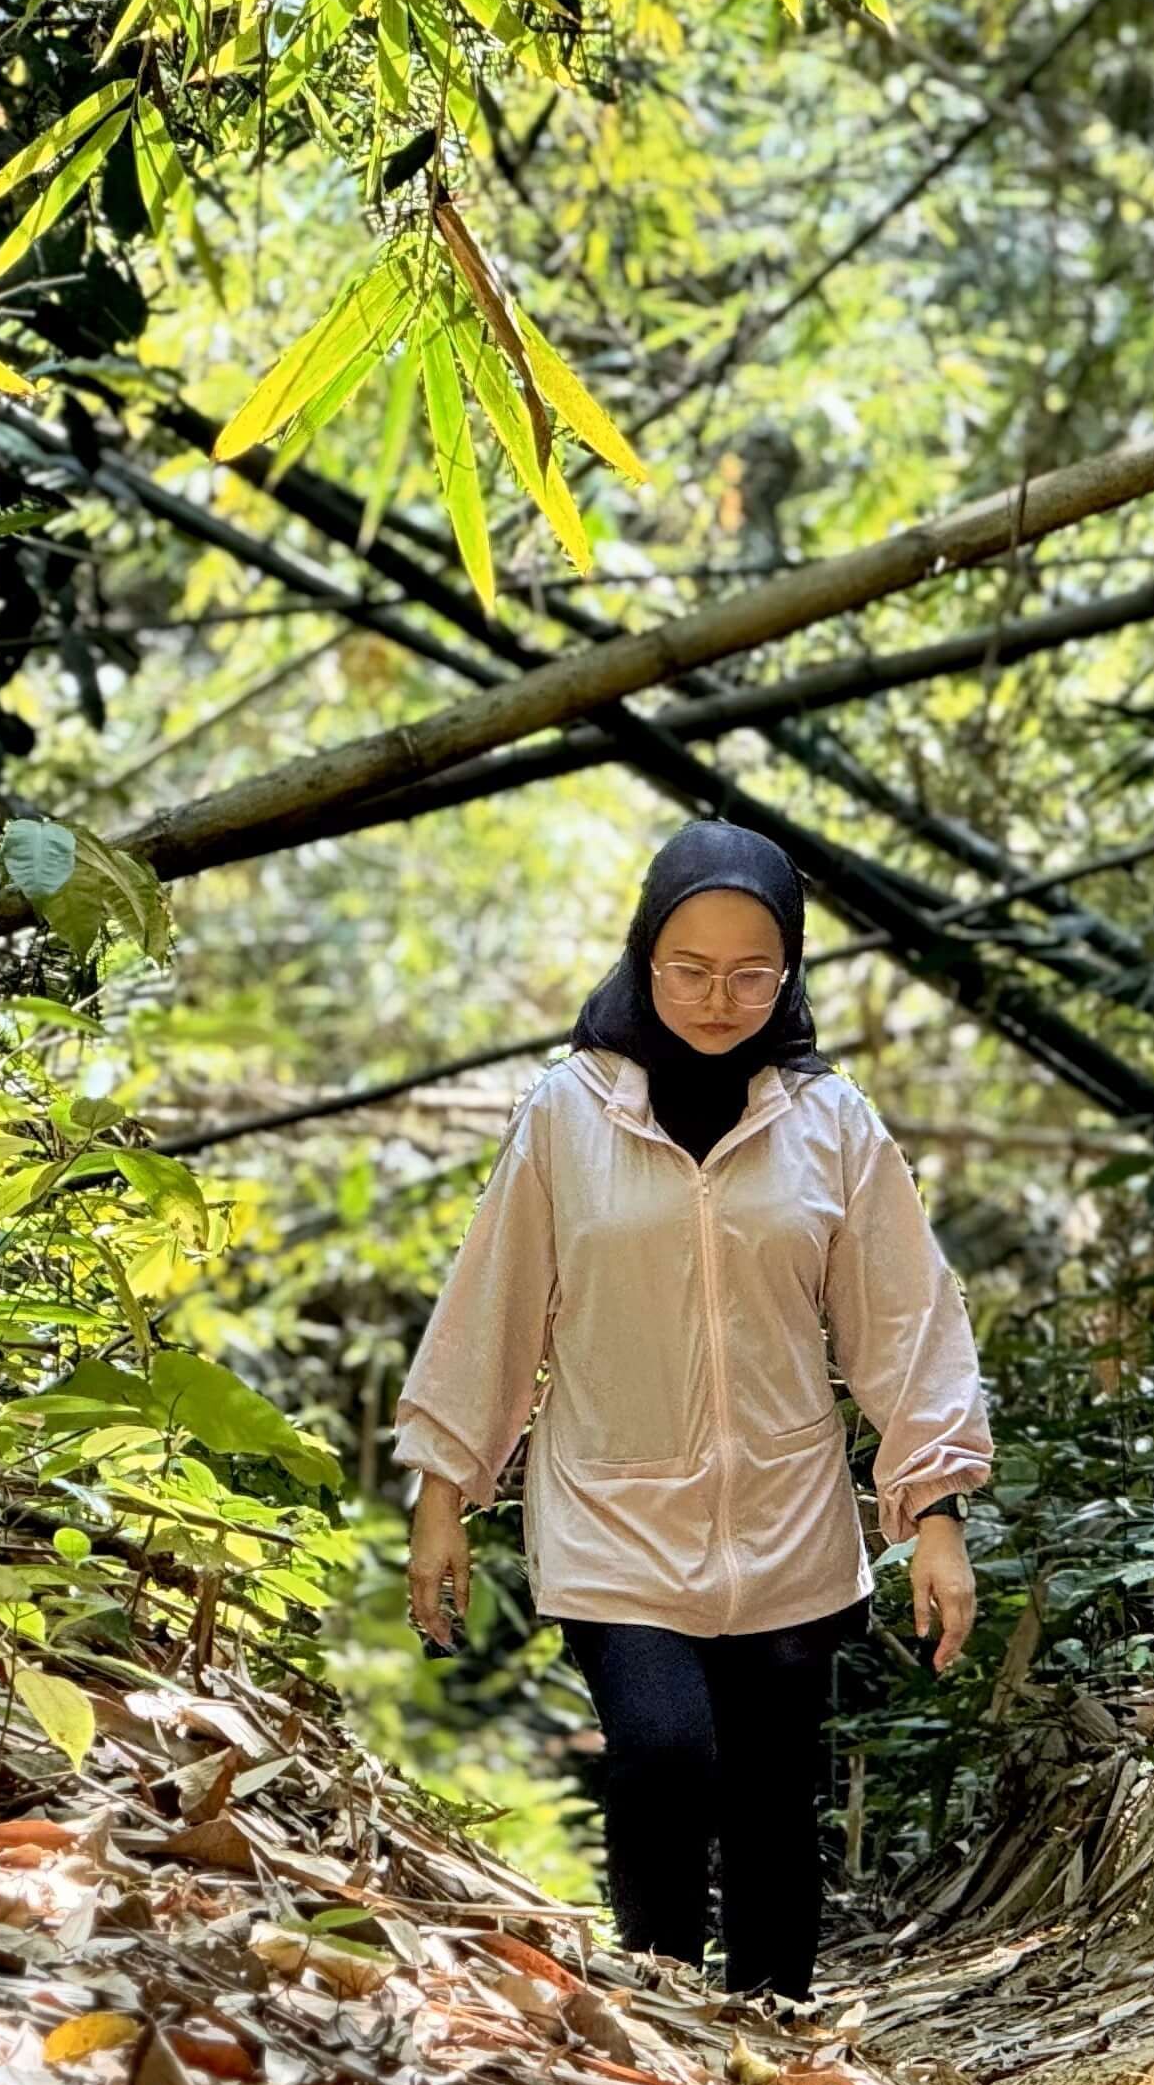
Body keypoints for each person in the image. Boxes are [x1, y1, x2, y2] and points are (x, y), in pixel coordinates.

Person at [394, 819, 990, 2000]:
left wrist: (935, 1515)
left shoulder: (832, 1123)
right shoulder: (569, 1113)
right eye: (690, 969)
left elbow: (906, 1324)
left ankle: (777, 2053)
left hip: (786, 1520)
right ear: (641, 957)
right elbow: (495, 1307)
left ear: (792, 970)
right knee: (665, 1758)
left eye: (751, 972)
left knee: (774, 1804)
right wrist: (443, 1492)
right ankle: (657, 2017)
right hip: (613, 1512)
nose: (721, 999)